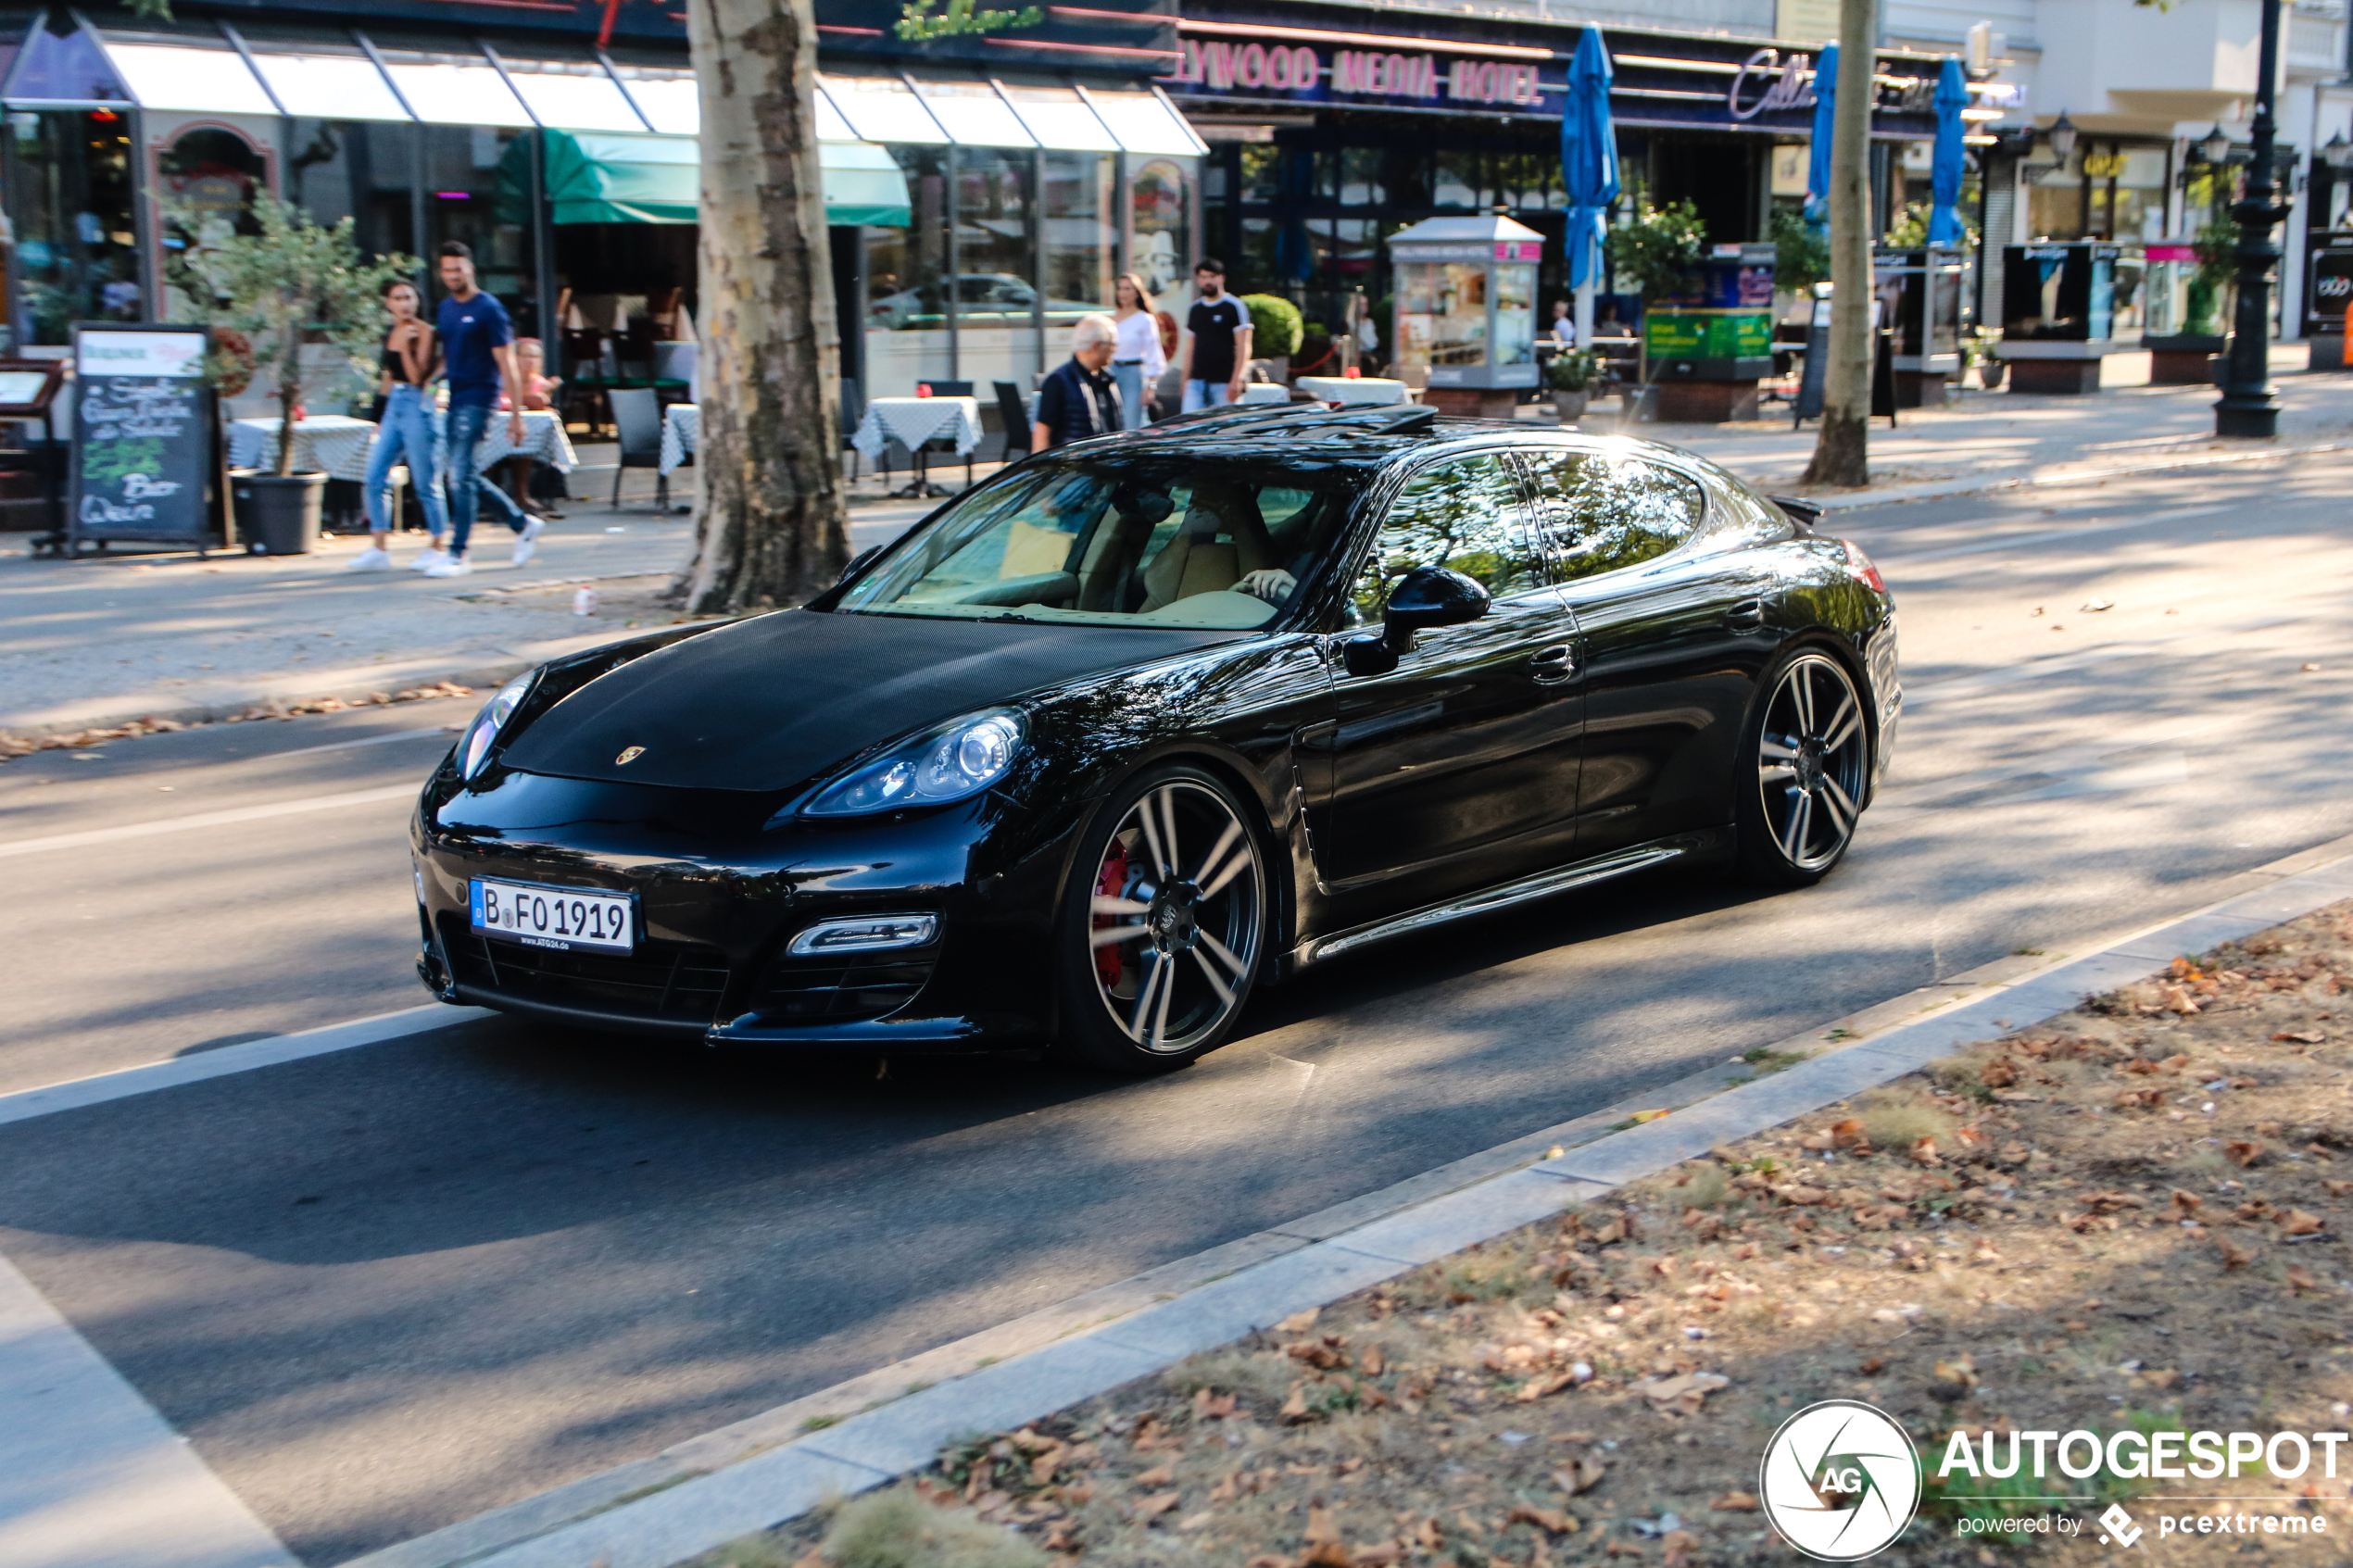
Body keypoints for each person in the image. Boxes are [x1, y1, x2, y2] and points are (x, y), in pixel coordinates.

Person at [422, 241, 538, 579]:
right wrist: (430, 384)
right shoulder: (445, 309)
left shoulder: (490, 309)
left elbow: (508, 364)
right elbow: (449, 355)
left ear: (471, 268)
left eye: (458, 268)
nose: (452, 275)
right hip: (454, 397)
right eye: (446, 270)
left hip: (481, 398)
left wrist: (516, 416)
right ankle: (523, 525)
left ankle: (458, 554)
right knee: (463, 475)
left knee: (458, 475)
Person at [348, 278, 452, 571]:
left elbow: (418, 377)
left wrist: (406, 346)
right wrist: (377, 417)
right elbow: (388, 377)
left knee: (425, 481)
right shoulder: (390, 331)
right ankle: (379, 547)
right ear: (388, 303)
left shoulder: (426, 332)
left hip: (418, 404)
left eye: (409, 297)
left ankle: (437, 545)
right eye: (398, 298)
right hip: (394, 404)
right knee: (373, 476)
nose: (404, 303)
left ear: (417, 301)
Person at [1031, 315, 1123, 452]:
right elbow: (1043, 430)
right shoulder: (1059, 381)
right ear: (1095, 345)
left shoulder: (1107, 380)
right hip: (1074, 464)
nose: (1115, 350)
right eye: (1112, 344)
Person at [1177, 258, 1251, 412]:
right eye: (1203, 277)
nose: (1207, 281)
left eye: (1211, 276)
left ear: (1221, 277)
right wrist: (1185, 380)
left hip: (1224, 381)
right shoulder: (1195, 309)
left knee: (1226, 428)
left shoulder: (1233, 306)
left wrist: (1237, 379)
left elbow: (1244, 345)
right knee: (1190, 427)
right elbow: (1190, 347)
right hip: (1196, 381)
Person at [502, 337, 562, 521]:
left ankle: (522, 496)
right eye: (525, 355)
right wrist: (527, 400)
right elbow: (497, 400)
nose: (530, 360)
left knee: (528, 445)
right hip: (500, 431)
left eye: (535, 357)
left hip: (523, 434)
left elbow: (543, 405)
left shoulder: (540, 384)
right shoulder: (504, 378)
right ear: (515, 357)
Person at [1109, 272, 1165, 431]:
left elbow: (1154, 352)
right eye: (1120, 288)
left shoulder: (1145, 319)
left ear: (1136, 292)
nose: (1123, 293)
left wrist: (1151, 385)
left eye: (1128, 288)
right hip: (1111, 372)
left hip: (1133, 373)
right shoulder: (1111, 319)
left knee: (1131, 422)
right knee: (1111, 420)